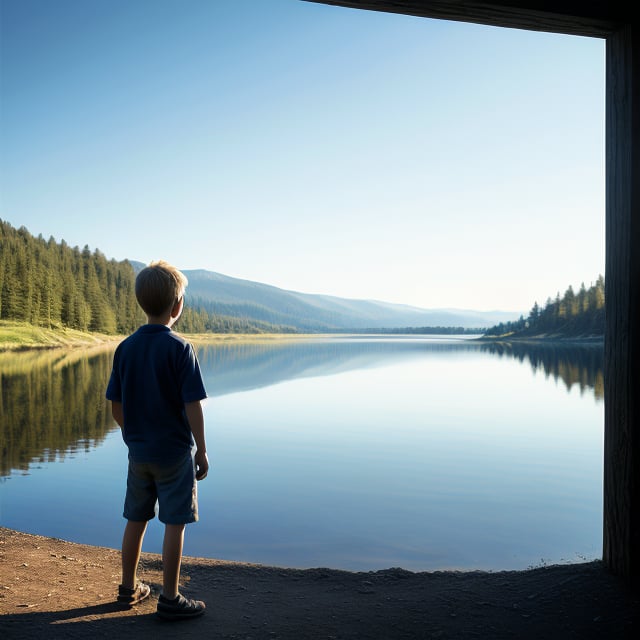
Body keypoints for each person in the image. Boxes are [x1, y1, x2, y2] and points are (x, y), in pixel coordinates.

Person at [106, 260, 209, 620]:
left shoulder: (125, 348)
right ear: (177, 305)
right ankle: (170, 597)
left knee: (135, 520)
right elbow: (192, 405)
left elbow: (116, 406)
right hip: (175, 454)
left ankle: (127, 588)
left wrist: (131, 436)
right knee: (174, 523)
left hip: (140, 453)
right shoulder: (181, 349)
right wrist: (203, 450)